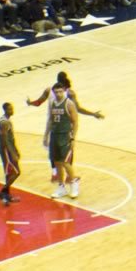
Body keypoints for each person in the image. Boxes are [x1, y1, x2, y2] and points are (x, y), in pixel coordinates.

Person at [28, 71, 103, 199]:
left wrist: (73, 137)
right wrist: (46, 135)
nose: (58, 93)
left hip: (65, 135)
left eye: (60, 91)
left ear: (63, 90)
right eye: (56, 91)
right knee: (56, 162)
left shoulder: (69, 101)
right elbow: (50, 118)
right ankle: (61, 186)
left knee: (66, 162)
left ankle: (74, 183)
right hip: (54, 134)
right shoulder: (52, 100)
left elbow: (75, 119)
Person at [0, 102, 24, 206]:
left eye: (12, 108)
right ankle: (3, 191)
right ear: (6, 110)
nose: (12, 110)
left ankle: (6, 196)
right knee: (16, 172)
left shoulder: (7, 120)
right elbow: (5, 140)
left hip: (9, 149)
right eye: (10, 109)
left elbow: (11, 138)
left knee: (9, 173)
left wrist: (16, 150)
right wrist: (12, 153)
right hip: (6, 150)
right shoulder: (4, 123)